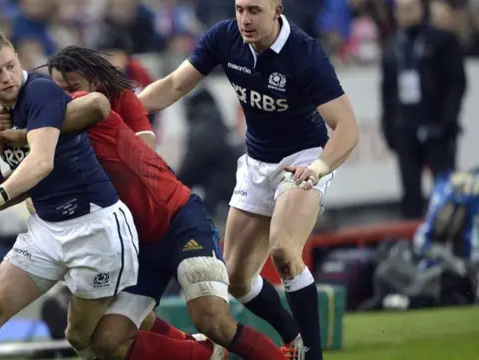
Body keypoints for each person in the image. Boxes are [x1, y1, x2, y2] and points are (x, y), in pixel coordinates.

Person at [0, 46, 287, 360]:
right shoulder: (51, 140)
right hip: (135, 244)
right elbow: (32, 188)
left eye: (71, 89)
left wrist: (24, 133)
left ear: (93, 85)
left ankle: (265, 345)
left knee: (213, 319)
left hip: (176, 222)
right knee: (106, 341)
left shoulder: (98, 109)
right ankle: (206, 354)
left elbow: (136, 144)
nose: (62, 98)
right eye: (56, 90)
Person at [137, 1, 360, 359]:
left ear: (277, 10)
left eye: (254, 10)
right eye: (240, 9)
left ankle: (313, 355)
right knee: (238, 279)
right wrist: (126, 109)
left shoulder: (304, 53)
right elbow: (176, 84)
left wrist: (318, 168)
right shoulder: (225, 37)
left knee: (284, 250)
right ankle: (295, 339)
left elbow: (347, 128)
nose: (244, 19)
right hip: (256, 162)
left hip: (302, 159)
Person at [0, 30, 139, 360]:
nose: (6, 77)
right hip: (46, 230)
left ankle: (192, 351)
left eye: (9, 66)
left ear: (18, 60)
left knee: (85, 337)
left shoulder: (40, 93)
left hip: (96, 227)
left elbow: (41, 161)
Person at [381, 0, 466, 219]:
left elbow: (456, 83)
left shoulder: (442, 41)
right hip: (405, 126)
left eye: (411, 9)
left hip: (436, 124)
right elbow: (387, 91)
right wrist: (389, 129)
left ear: (422, 10)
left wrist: (446, 121)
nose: (406, 15)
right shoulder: (393, 46)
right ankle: (412, 245)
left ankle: (451, 239)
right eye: (401, 10)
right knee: (410, 192)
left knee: (445, 190)